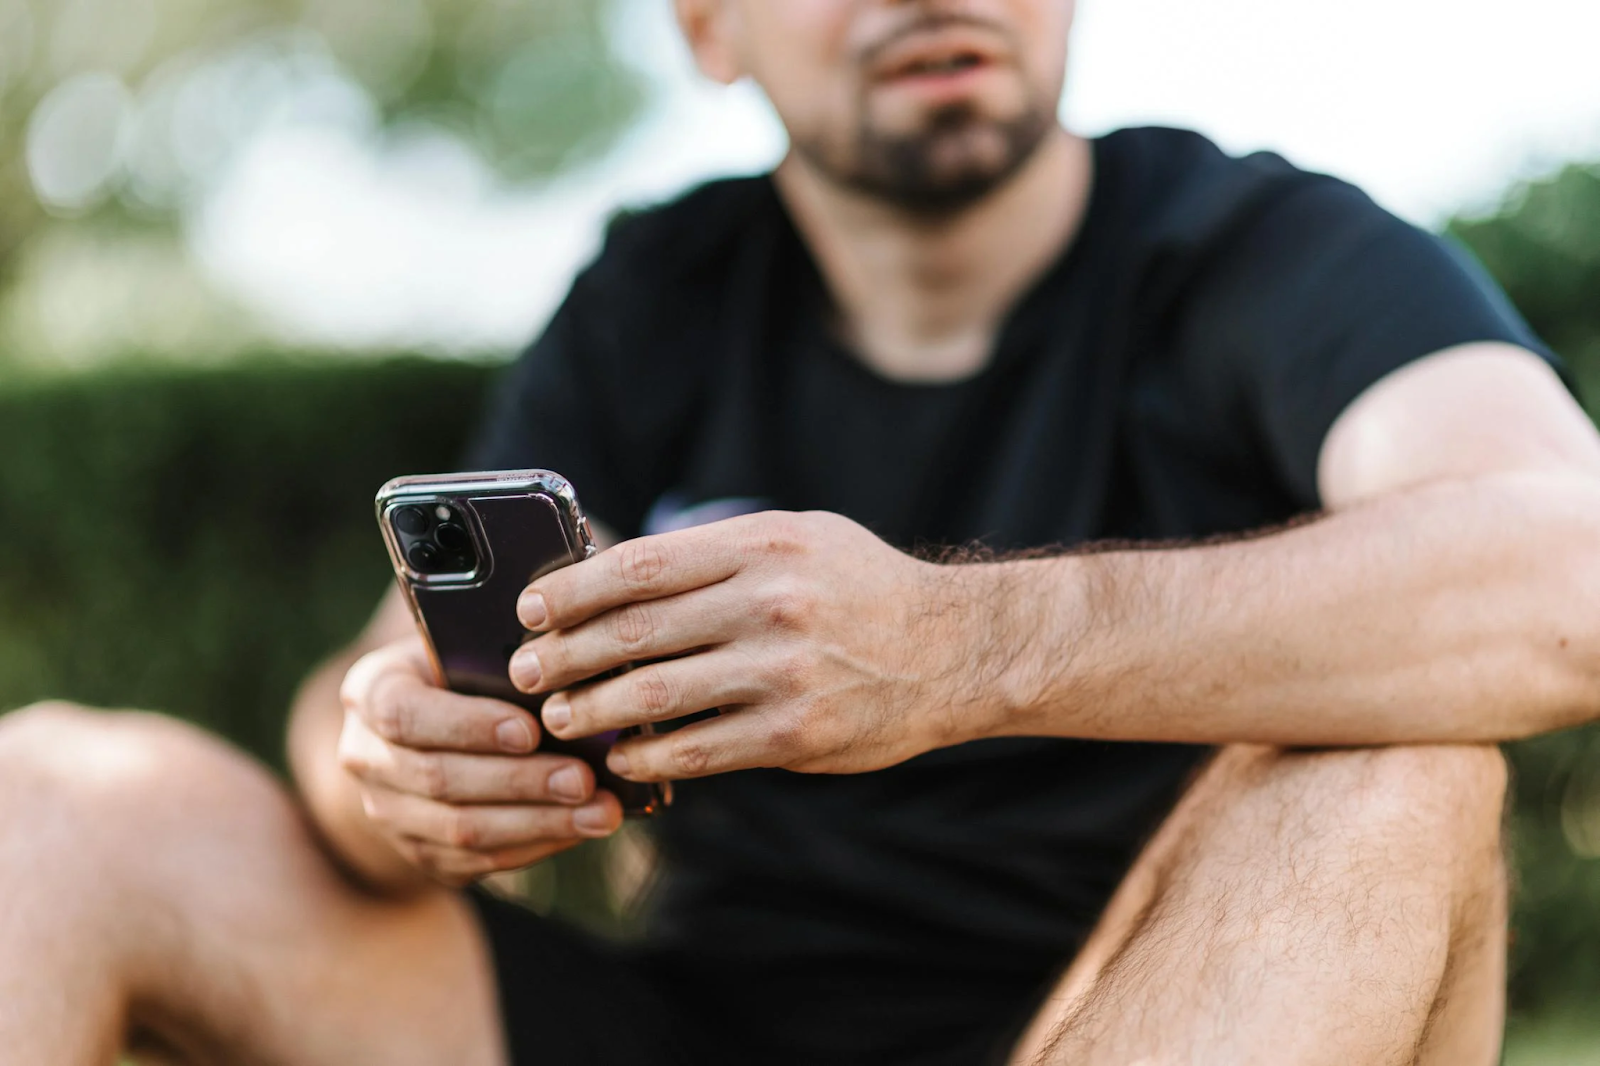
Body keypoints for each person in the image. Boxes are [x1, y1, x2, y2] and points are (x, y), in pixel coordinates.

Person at [4, 0, 1600, 1063]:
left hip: (1183, 1006)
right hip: (695, 1020)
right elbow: (365, 702)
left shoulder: (1261, 250)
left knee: (1401, 758)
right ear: (709, 27)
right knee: (56, 799)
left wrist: (970, 648)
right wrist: (388, 763)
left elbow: (1570, 572)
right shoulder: (660, 293)